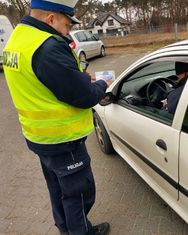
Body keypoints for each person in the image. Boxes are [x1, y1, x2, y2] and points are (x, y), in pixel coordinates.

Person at [2, 1, 110, 234]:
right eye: (67, 23)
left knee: (58, 189)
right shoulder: (47, 47)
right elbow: (84, 96)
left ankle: (65, 228)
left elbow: (44, 80)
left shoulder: (18, 38)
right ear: (51, 18)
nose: (68, 29)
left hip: (38, 137)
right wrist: (101, 84)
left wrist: (76, 77)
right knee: (79, 193)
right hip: (63, 139)